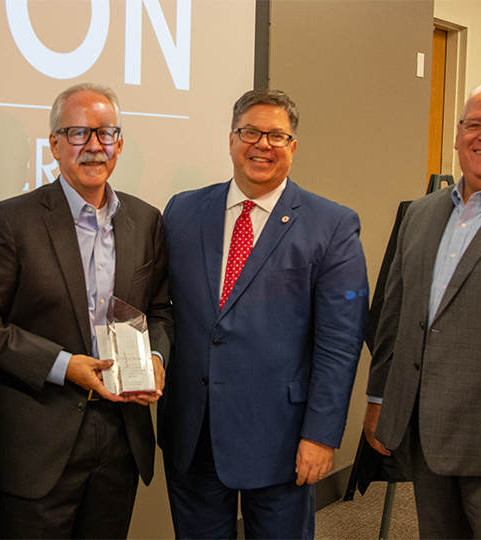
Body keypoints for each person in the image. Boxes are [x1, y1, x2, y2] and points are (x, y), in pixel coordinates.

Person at [158, 88, 368, 539]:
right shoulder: (183, 210)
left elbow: (340, 343)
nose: (262, 145)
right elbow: (163, 309)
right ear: (231, 140)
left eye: (277, 136)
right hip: (194, 435)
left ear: (293, 146)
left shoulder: (331, 225)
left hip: (283, 440)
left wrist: (322, 434)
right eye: (250, 132)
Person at [0, 82, 173, 539]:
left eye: (105, 134)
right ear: (55, 144)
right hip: (36, 440)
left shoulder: (146, 221)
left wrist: (156, 360)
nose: (94, 146)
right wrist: (63, 366)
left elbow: (160, 310)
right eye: (78, 133)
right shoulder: (12, 220)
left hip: (120, 436)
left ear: (119, 143)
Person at [365, 82, 481, 538]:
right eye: (474, 125)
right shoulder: (420, 214)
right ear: (458, 136)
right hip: (426, 431)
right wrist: (379, 399)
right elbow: (394, 318)